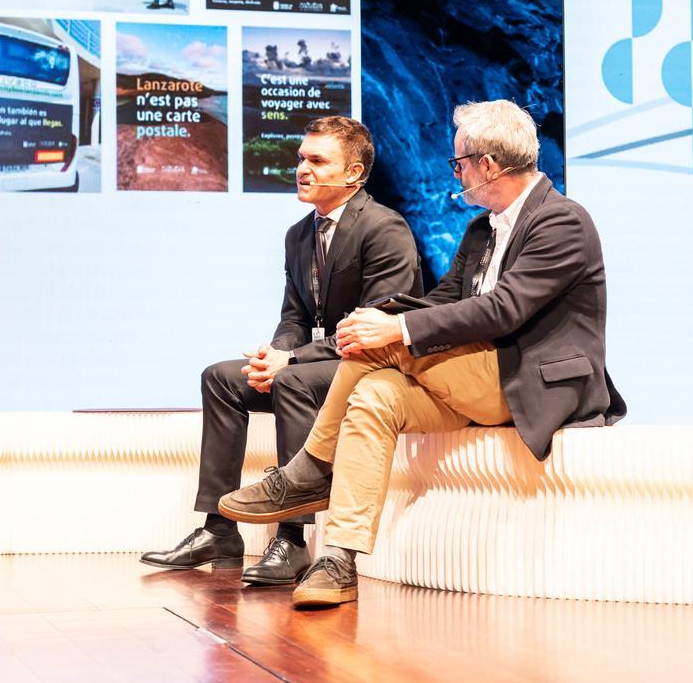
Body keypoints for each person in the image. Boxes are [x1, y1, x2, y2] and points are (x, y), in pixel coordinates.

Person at [219, 99, 626, 608]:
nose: (455, 172)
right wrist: (379, 320)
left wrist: (394, 328)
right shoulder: (482, 229)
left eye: (459, 163)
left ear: (488, 165)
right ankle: (340, 558)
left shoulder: (563, 221)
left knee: (380, 347)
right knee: (374, 394)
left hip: (529, 381)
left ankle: (307, 470)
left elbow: (504, 310)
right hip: (474, 376)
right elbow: (443, 301)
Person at [140, 116, 422, 587]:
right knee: (222, 377)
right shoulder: (299, 234)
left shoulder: (384, 228)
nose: (302, 169)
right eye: (300, 159)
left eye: (316, 160)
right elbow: (294, 316)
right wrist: (276, 353)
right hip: (316, 362)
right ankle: (218, 528)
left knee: (292, 380)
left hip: (370, 365)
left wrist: (291, 363)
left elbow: (377, 327)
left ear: (354, 173)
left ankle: (292, 538)